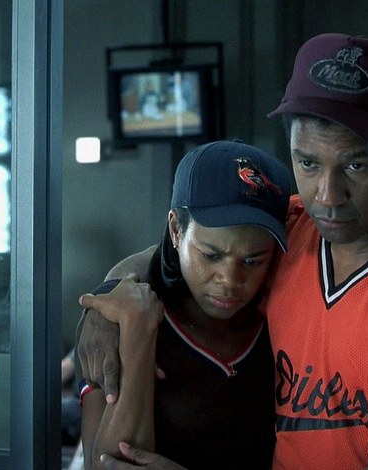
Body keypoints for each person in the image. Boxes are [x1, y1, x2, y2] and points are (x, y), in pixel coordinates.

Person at [77, 33, 368, 469]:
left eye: (355, 164)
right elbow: (189, 249)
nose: (327, 195)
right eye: (307, 163)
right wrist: (108, 300)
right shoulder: (292, 228)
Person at [78, 139, 292, 469]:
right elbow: (106, 464)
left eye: (253, 261)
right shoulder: (120, 316)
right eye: (211, 256)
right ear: (177, 230)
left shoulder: (281, 316)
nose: (229, 280)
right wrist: (137, 330)